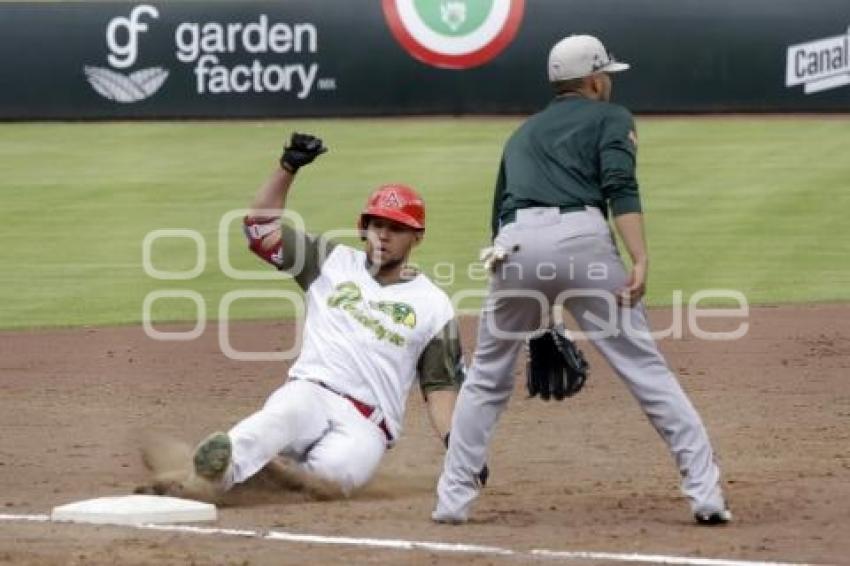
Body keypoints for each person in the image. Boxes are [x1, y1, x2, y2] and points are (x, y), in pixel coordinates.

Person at [433, 35, 731, 525]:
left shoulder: (522, 134)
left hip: (514, 248)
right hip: (583, 244)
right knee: (646, 371)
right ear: (595, 80)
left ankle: (452, 501)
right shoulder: (611, 117)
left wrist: (537, 316)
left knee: (486, 376)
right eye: (607, 74)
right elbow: (619, 186)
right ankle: (706, 495)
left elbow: (501, 220)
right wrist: (639, 257)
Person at [150, 133, 468, 501]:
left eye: (396, 228)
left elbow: (440, 388)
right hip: (311, 392)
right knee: (271, 423)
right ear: (363, 227)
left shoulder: (434, 304)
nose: (384, 235)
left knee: (333, 477)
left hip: (368, 425)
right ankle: (213, 476)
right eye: (377, 225)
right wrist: (288, 168)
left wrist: (459, 448)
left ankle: (269, 478)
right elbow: (259, 230)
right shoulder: (329, 261)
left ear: (417, 236)